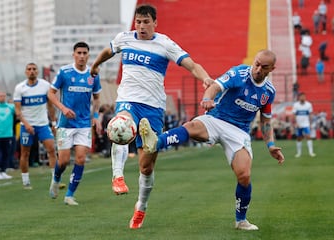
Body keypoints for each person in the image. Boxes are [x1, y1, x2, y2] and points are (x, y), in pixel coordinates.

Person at [90, 4, 213, 228]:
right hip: (128, 100)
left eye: (146, 22)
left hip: (153, 108)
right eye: (138, 21)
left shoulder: (164, 44)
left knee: (146, 166)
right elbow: (109, 50)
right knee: (120, 126)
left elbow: (192, 65)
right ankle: (117, 176)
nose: (141, 26)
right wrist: (96, 64)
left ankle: (141, 207)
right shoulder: (124, 38)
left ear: (155, 23)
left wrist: (205, 79)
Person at [139, 49, 285, 230]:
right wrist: (207, 98)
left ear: (272, 69)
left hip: (238, 132)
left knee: (244, 176)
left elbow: (266, 120)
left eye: (263, 67)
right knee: (191, 127)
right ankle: (156, 142)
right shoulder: (239, 73)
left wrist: (270, 145)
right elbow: (215, 86)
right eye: (256, 63)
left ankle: (241, 220)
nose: (257, 69)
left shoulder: (268, 92)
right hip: (216, 118)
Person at [48, 41, 102, 205]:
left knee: (80, 158)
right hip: (65, 124)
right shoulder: (64, 72)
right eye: (79, 53)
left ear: (88, 55)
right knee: (63, 161)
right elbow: (50, 93)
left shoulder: (93, 75)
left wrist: (96, 116)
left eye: (85, 53)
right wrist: (62, 109)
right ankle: (56, 179)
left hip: (84, 124)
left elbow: (97, 98)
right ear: (74, 55)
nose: (81, 56)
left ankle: (69, 195)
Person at [13, 63, 58, 189]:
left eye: (34, 69)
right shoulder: (20, 88)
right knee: (25, 153)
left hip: (43, 124)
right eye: (29, 69)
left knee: (51, 149)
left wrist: (53, 123)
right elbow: (17, 111)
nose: (32, 71)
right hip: (26, 126)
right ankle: (26, 181)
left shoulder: (45, 85)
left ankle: (55, 180)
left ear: (37, 72)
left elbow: (50, 106)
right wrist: (26, 124)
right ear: (25, 72)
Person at [292, 92, 316, 157]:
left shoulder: (308, 105)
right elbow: (294, 114)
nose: (303, 98)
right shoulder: (296, 105)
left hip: (306, 124)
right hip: (299, 124)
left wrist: (310, 123)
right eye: (301, 96)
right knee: (299, 138)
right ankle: (299, 153)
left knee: (308, 136)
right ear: (299, 97)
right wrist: (296, 123)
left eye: (304, 96)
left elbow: (310, 114)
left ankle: (311, 152)